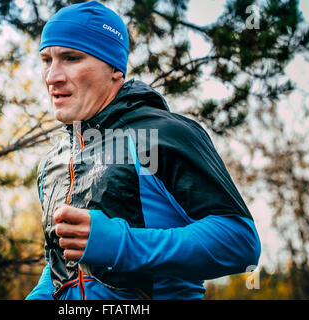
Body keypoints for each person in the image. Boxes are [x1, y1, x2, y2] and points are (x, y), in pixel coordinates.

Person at [25, 0, 261, 300]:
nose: (52, 77)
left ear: (114, 68)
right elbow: (62, 269)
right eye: (47, 60)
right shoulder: (53, 162)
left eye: (71, 58)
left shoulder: (165, 134)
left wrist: (121, 245)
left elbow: (241, 243)